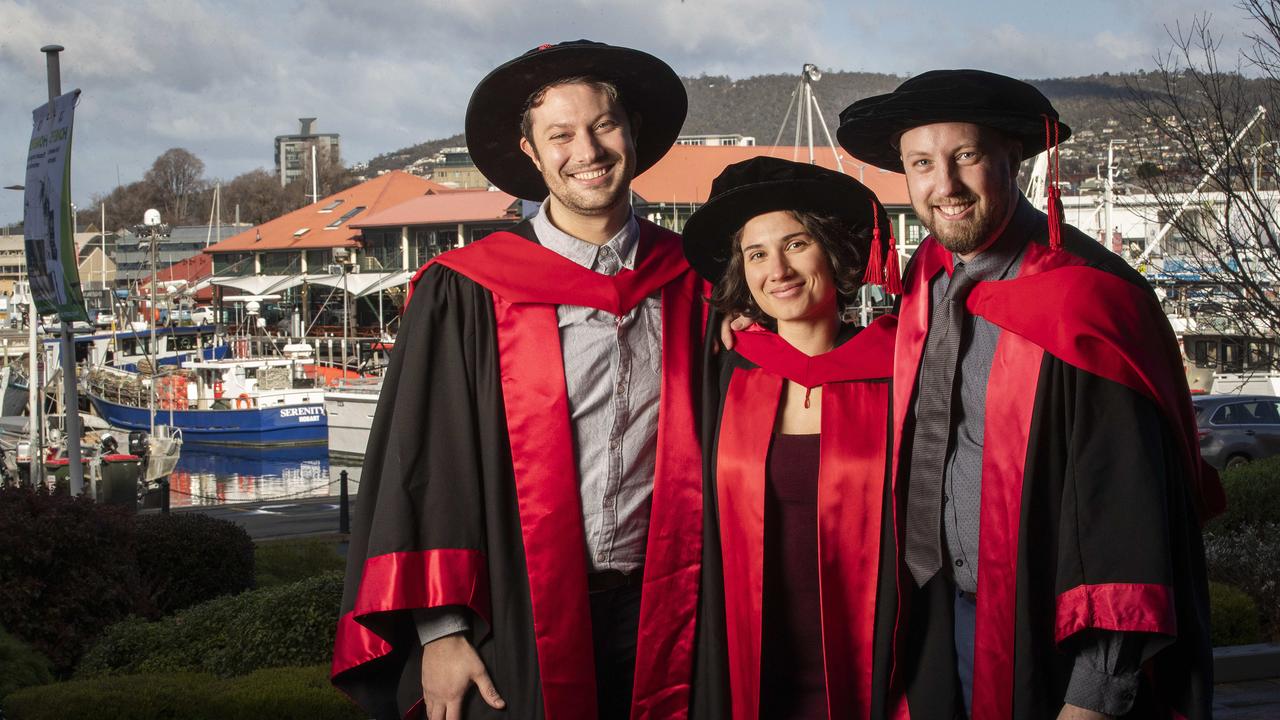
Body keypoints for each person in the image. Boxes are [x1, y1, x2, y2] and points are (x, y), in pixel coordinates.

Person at [331, 41, 707, 720]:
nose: (587, 150)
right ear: (532, 156)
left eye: (602, 126)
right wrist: (440, 633)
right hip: (514, 606)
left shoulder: (693, 280)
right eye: (560, 135)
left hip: (676, 605)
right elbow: (427, 466)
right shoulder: (467, 291)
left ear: (634, 134)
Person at [836, 70, 1223, 720]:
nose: (945, 186)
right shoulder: (927, 279)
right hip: (936, 621)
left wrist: (1094, 695)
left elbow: (1125, 505)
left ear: (1013, 159)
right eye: (922, 164)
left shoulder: (1089, 300)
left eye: (966, 157)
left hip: (1054, 645)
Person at [684, 157, 900, 720]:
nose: (777, 268)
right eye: (756, 254)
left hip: (875, 660)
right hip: (751, 663)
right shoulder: (726, 372)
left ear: (832, 249)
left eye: (796, 244)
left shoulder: (900, 369)